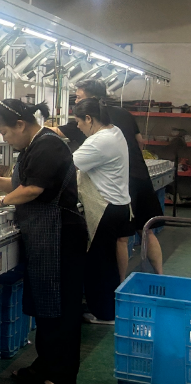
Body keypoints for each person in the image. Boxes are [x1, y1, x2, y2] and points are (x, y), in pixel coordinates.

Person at [0, 99, 86, 384]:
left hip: (60, 235)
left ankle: (64, 378)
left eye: (4, 132)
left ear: (21, 124)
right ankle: (45, 365)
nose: (4, 138)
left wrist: (1, 200)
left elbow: (32, 190)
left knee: (61, 308)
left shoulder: (48, 145)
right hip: (43, 234)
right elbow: (19, 185)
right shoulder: (31, 146)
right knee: (45, 306)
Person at [49, 79, 164, 276]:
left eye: (79, 97)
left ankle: (118, 282)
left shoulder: (92, 121)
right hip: (138, 176)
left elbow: (56, 137)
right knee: (145, 231)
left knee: (117, 240)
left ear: (91, 103)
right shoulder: (121, 116)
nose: (76, 101)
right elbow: (139, 141)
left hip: (117, 184)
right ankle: (158, 276)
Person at [72, 98, 134, 324]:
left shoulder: (99, 141)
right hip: (120, 206)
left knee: (100, 264)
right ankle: (107, 306)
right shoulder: (114, 131)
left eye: (79, 121)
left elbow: (66, 166)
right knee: (108, 262)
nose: (78, 126)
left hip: (105, 209)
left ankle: (104, 314)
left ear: (89, 119)